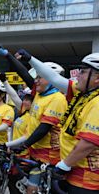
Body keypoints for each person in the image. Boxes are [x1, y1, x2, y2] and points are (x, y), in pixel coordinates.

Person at [18, 51, 99, 193]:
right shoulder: (84, 94)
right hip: (73, 172)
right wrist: (30, 59)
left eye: (83, 72)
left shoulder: (97, 102)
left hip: (86, 180)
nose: (77, 75)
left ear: (97, 78)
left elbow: (89, 143)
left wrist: (64, 165)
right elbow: (54, 78)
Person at [0, 46, 68, 194]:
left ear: (53, 79)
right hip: (35, 152)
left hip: (50, 157)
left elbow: (44, 127)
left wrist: (24, 145)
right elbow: (24, 74)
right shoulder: (39, 94)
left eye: (40, 77)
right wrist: (9, 56)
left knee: (32, 190)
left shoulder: (57, 98)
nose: (36, 81)